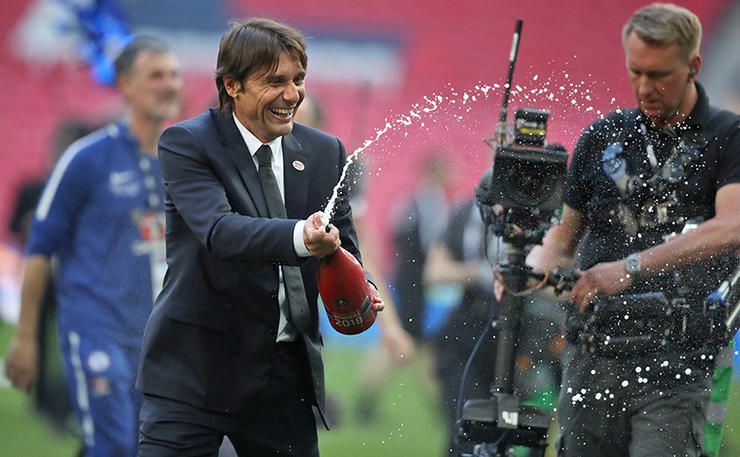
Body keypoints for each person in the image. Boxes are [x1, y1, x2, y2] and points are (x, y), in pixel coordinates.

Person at [135, 18, 381, 457]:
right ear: (232, 85)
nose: (292, 95)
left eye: (298, 80)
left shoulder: (326, 152)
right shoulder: (187, 143)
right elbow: (219, 231)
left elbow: (344, 248)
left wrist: (363, 291)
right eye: (275, 81)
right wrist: (303, 238)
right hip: (194, 370)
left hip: (282, 375)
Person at [527, 4, 740, 457]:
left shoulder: (729, 136)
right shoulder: (602, 136)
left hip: (679, 358)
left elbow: (733, 226)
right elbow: (562, 242)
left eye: (659, 74)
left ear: (693, 66)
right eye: (635, 71)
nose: (645, 88)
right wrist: (527, 271)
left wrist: (630, 268)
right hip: (592, 353)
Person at [4, 36, 182, 457]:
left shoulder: (181, 163)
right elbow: (40, 248)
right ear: (125, 84)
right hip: (95, 328)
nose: (169, 84)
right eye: (155, 75)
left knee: (144, 446)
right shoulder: (87, 159)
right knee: (114, 443)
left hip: (152, 336)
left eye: (173, 75)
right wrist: (26, 338)